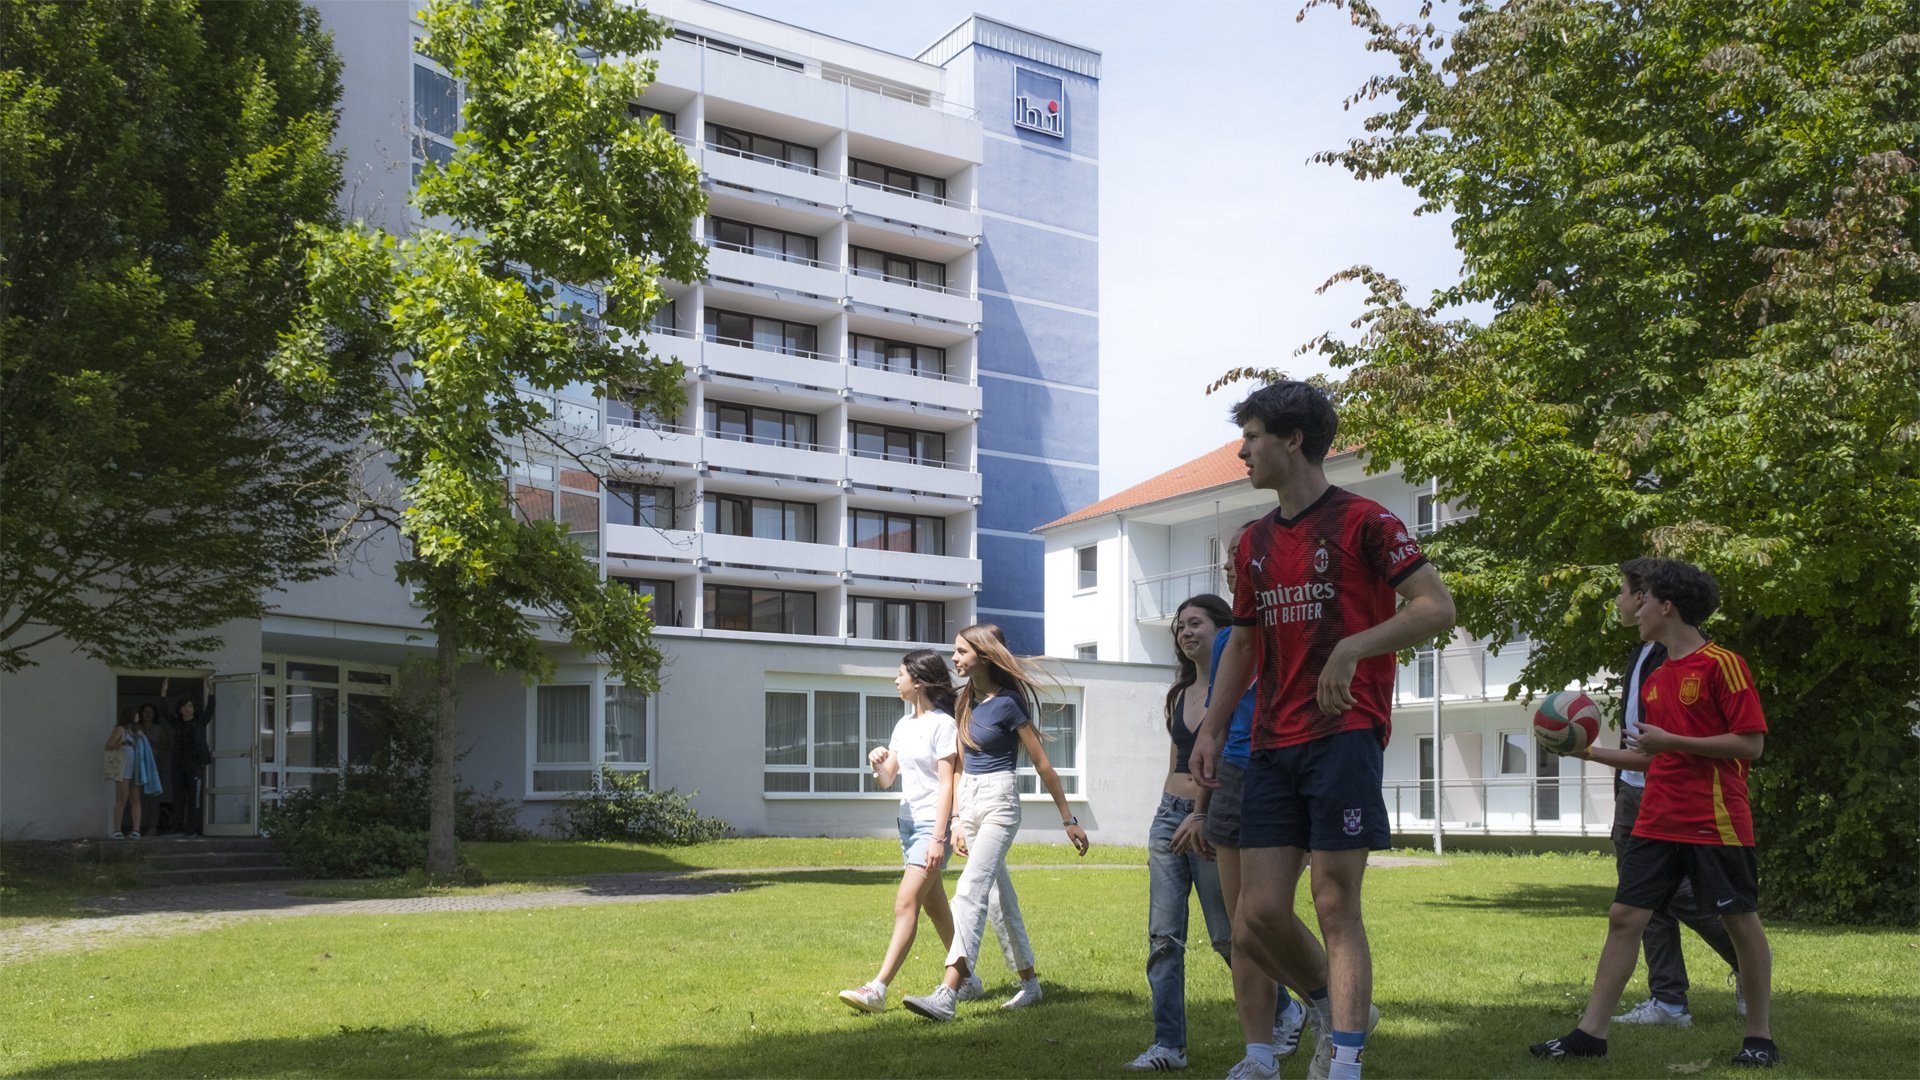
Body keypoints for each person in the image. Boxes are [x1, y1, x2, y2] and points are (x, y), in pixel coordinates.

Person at [1191, 381, 1456, 1080]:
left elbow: (1436, 607)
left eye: (1251, 437)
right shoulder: (1251, 542)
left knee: (1335, 904)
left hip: (1345, 731)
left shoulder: (1367, 521)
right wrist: (1213, 728)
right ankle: (1336, 1007)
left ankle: (1344, 1060)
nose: (1242, 452)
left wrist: (1352, 648)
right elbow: (1243, 645)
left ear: (1293, 440)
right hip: (1273, 743)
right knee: (1257, 915)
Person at [1530, 559, 1781, 1067]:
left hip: (1715, 817)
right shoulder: (1656, 677)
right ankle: (1590, 1035)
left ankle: (1759, 1038)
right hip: (1657, 814)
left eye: (1643, 600)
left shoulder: (1721, 664)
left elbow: (1750, 744)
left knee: (1739, 921)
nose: (1636, 608)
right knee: (1625, 917)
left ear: (1667, 606)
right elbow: (1650, 755)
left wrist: (1673, 740)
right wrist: (1588, 753)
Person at [1127, 592, 1308, 1073]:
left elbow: (1228, 752)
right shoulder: (1177, 694)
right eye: (1179, 627)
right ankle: (1169, 1044)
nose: (1186, 633)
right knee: (1162, 936)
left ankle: (1287, 1009)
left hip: (1213, 811)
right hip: (1169, 814)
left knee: (1230, 934)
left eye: (1195, 623)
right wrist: (1169, 808)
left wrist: (1199, 811)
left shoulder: (1243, 690)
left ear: (1222, 628)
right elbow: (1178, 758)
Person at [1169, 530, 1314, 1079]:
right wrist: (1201, 808)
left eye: (1241, 559)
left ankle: (1327, 1006)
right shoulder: (1232, 640)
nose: (1232, 569)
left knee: (1267, 914)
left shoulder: (1299, 624)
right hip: (1233, 777)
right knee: (1238, 930)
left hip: (1287, 770)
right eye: (1229, 561)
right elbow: (1216, 725)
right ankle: (1258, 1055)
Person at [903, 624, 1090, 1022]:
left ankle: (948, 993)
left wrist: (1068, 818)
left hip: (999, 803)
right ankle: (1030, 983)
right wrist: (954, 819)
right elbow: (957, 767)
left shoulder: (1008, 704)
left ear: (983, 655)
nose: (954, 659)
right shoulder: (964, 702)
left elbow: (1042, 764)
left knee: (968, 891)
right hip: (968, 801)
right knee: (998, 901)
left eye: (960, 652)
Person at [1606, 558, 1743, 1028]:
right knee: (1639, 899)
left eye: (1625, 592)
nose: (1623, 602)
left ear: (1652, 600)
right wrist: (1592, 755)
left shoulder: (1686, 654)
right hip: (1633, 786)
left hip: (1680, 791)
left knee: (1672, 897)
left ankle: (1747, 962)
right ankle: (1668, 1002)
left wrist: (1667, 749)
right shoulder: (1645, 652)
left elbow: (1739, 741)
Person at [839, 649, 973, 1013]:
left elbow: (948, 785)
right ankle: (969, 978)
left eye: (900, 675)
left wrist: (940, 836)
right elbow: (887, 780)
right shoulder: (903, 725)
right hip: (908, 824)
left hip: (933, 825)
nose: (895, 681)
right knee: (935, 907)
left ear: (918, 681)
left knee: (905, 901)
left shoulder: (944, 725)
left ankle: (877, 988)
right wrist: (876, 762)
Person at [104, 707, 161, 839]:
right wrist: (122, 742)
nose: (138, 717)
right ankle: (117, 830)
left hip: (136, 768)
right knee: (121, 799)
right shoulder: (120, 729)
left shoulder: (136, 730)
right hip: (123, 768)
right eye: (136, 714)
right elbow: (108, 746)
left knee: (136, 799)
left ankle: (136, 829)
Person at [136, 702, 176, 834]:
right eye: (145, 711)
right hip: (137, 765)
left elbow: (166, 746)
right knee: (137, 796)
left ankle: (152, 825)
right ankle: (137, 825)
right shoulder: (136, 727)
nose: (147, 714)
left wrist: (152, 743)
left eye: (150, 712)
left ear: (154, 714)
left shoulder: (158, 728)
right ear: (140, 714)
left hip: (153, 765)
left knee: (153, 796)